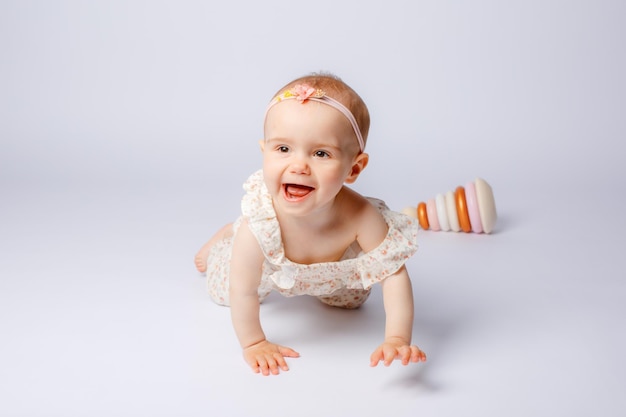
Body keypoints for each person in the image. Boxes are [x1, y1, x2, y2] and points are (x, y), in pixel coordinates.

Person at [194, 73, 426, 376]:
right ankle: (228, 233)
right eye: (283, 149)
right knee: (222, 291)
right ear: (265, 152)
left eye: (320, 153)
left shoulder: (361, 216)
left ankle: (325, 287)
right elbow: (243, 290)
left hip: (332, 271)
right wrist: (254, 343)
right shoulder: (261, 225)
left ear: (353, 168)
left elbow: (393, 276)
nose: (299, 166)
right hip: (271, 268)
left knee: (352, 300)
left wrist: (397, 338)